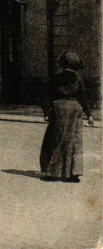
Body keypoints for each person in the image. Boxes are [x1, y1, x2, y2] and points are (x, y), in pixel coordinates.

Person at [40, 52, 94, 182]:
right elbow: (83, 98)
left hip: (60, 109)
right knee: (75, 141)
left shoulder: (56, 78)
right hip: (76, 110)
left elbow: (45, 96)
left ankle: (53, 172)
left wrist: (47, 112)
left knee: (56, 139)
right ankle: (73, 173)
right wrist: (89, 115)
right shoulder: (79, 79)